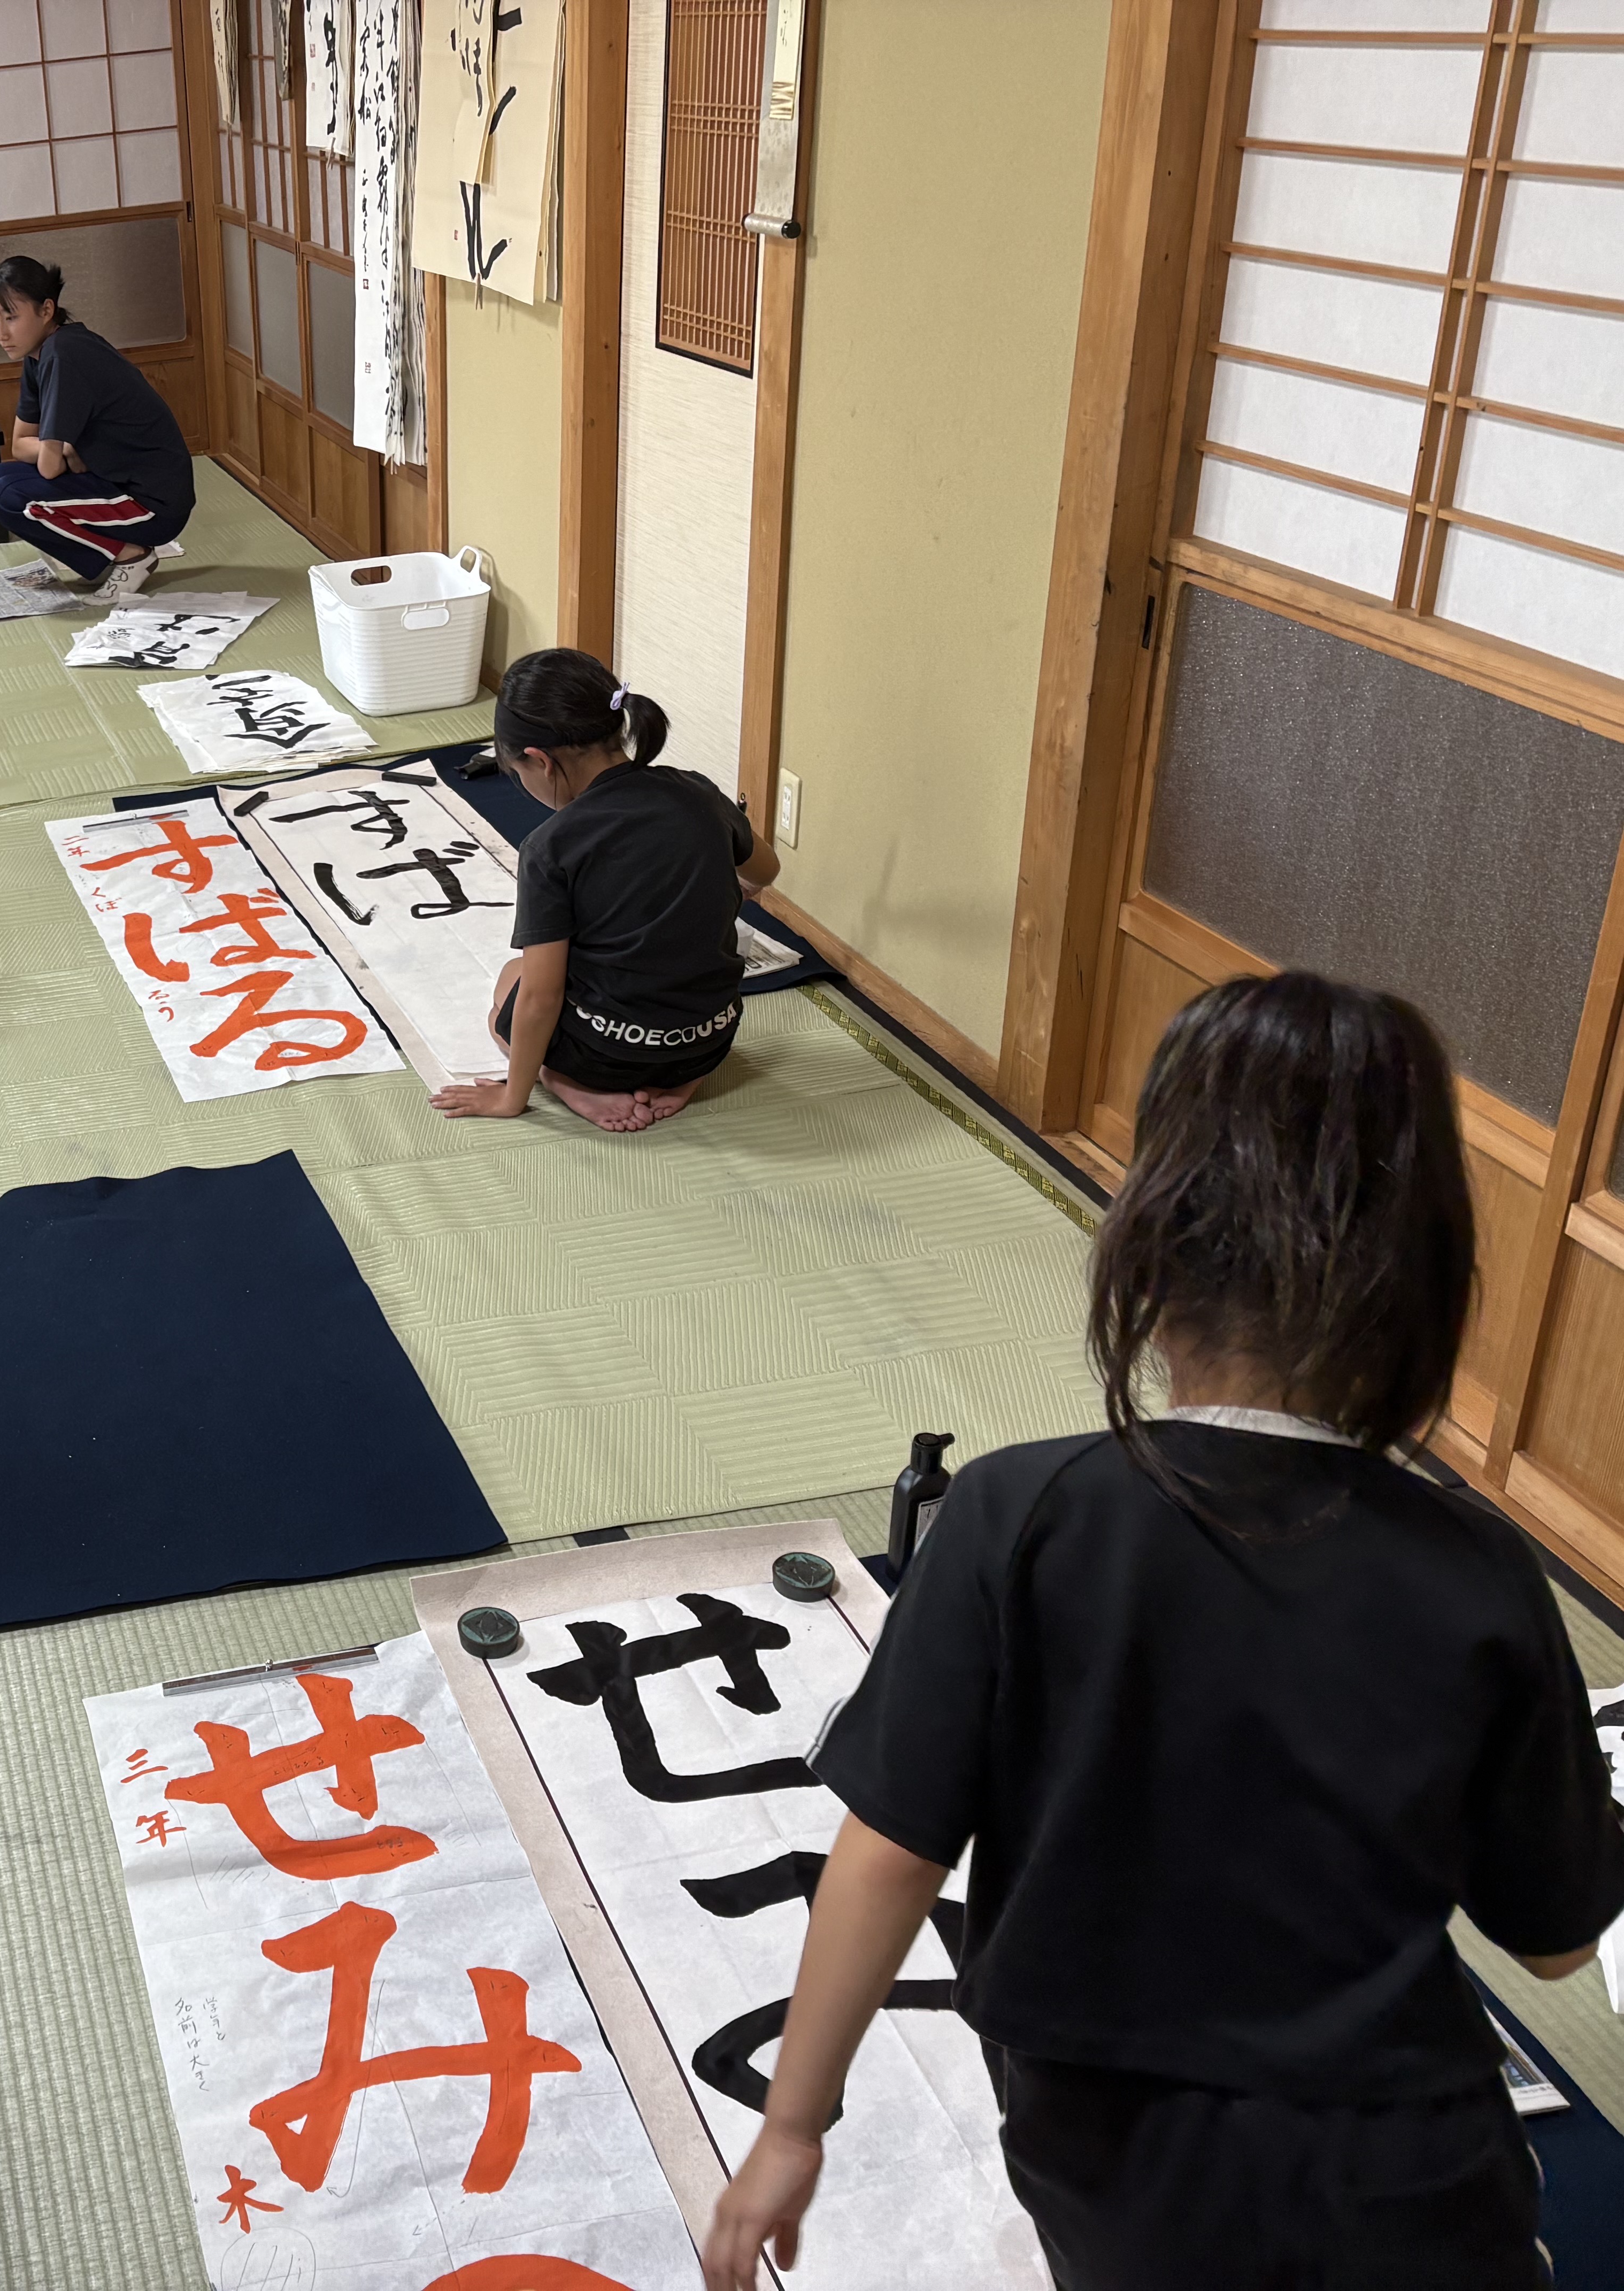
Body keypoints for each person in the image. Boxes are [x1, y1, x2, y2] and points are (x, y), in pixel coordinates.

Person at [701, 971, 1624, 2291]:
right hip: (1406, 2184)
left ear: (1151, 1236)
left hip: (1105, 2157)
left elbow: (891, 1851)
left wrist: (794, 2125)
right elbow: (1554, 1941)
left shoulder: (1020, 1515)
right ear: (1424, 1276)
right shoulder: (1478, 1574)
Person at [432, 649, 773, 1132]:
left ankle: (566, 1085)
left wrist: (512, 1097)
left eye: (517, 775)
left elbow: (541, 998)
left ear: (539, 761)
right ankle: (682, 1081)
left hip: (606, 1055)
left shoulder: (551, 846)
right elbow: (766, 869)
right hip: (708, 1041)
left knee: (512, 982)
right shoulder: (697, 791)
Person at [0, 256, 192, 606]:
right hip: (112, 482)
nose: (1, 333)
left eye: (12, 318)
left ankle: (132, 556)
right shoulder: (37, 357)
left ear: (47, 310)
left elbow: (48, 467)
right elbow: (19, 446)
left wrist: (62, 453)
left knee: (13, 499)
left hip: (153, 502)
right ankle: (109, 554)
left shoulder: (66, 353)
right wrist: (69, 450)